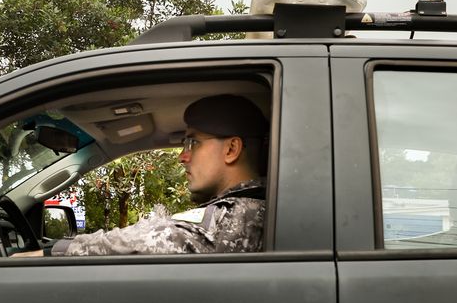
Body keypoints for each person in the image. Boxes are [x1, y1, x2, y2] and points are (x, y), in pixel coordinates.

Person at [15, 94, 268, 256]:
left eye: (193, 143)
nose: (182, 156)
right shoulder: (256, 209)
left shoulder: (241, 215)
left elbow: (153, 238)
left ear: (231, 149)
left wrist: (50, 252)